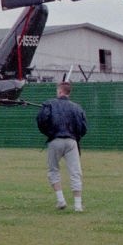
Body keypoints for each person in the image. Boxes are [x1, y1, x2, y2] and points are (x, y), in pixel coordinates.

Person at [37, 80, 88, 212]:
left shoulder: (49, 104)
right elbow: (83, 127)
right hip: (71, 142)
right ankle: (78, 205)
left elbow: (41, 120)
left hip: (55, 140)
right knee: (75, 172)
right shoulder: (77, 107)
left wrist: (50, 133)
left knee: (53, 170)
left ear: (60, 91)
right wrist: (76, 136)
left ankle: (61, 200)